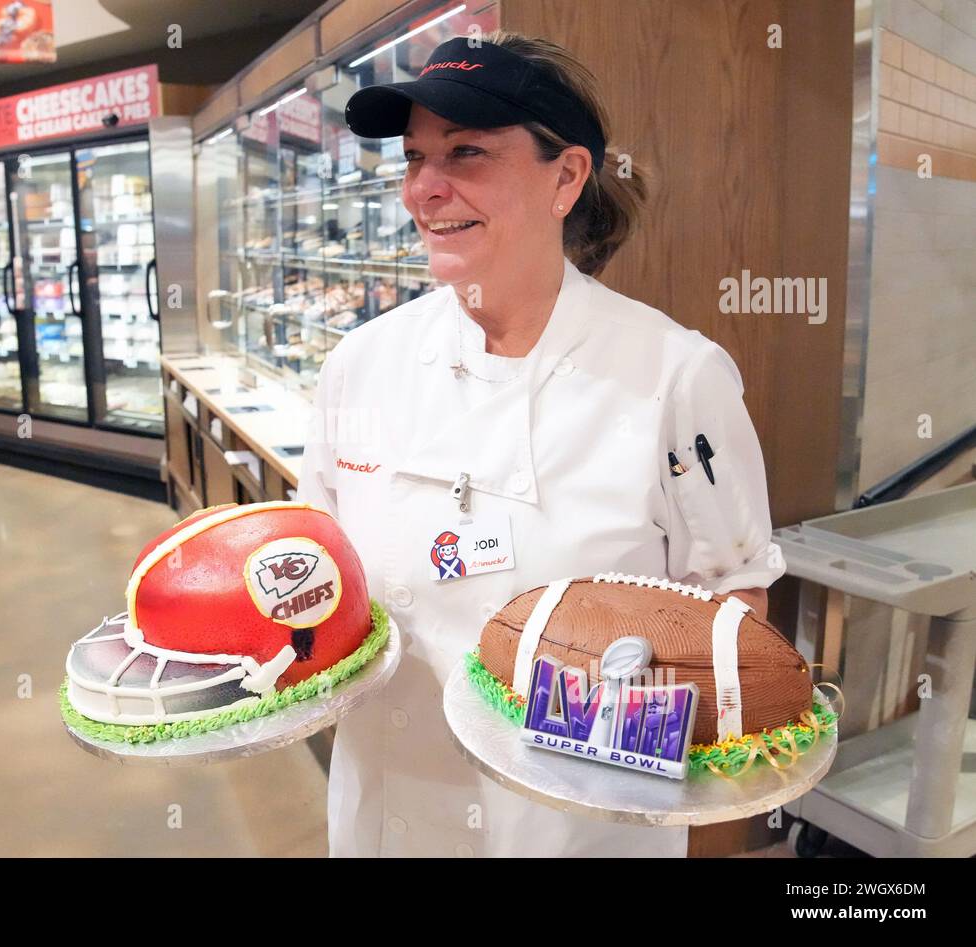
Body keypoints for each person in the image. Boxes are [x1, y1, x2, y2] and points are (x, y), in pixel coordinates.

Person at [296, 30, 784, 857]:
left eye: (467, 152)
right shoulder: (361, 365)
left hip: (576, 827)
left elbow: (734, 608)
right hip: (389, 807)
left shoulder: (674, 376)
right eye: (415, 158)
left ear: (567, 177)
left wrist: (593, 740)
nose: (427, 189)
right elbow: (324, 571)